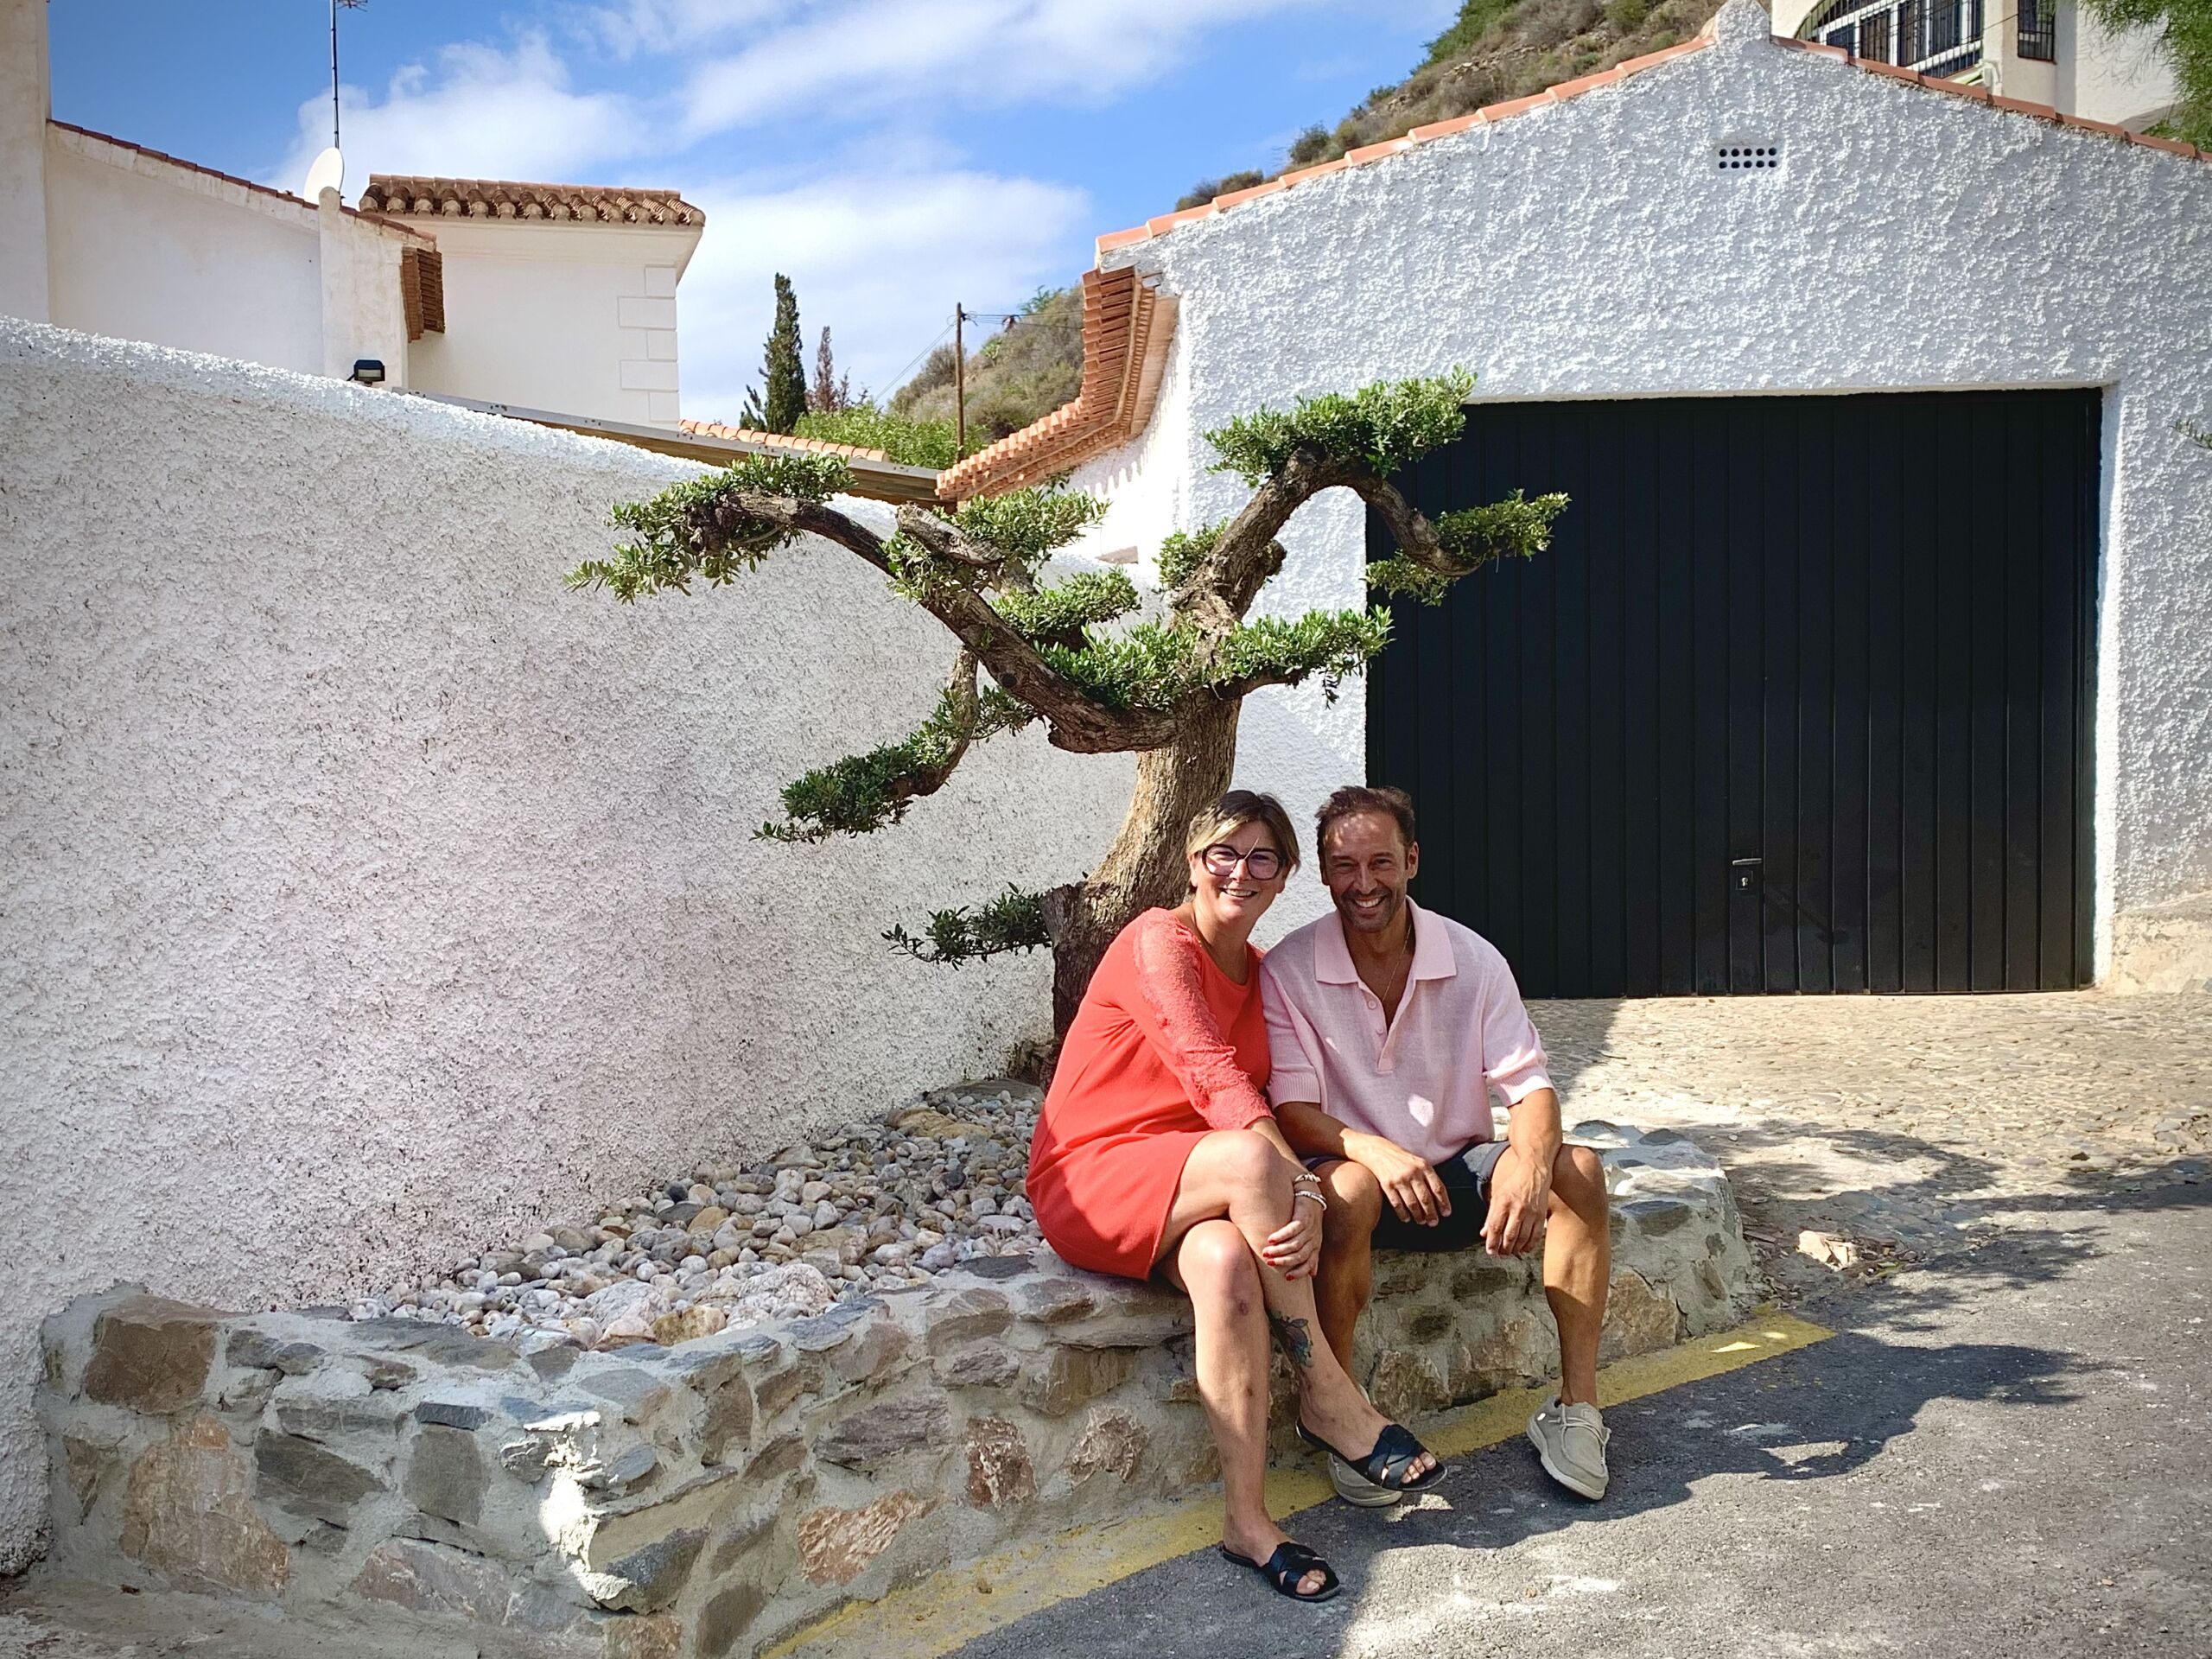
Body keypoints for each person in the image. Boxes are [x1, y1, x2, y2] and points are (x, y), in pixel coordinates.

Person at [1027, 790, 1446, 1605]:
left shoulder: (1258, 973)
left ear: (1285, 875)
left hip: (1192, 1182)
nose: (1240, 872)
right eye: (1223, 852)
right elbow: (1215, 1079)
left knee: (1223, 1266)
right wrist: (1301, 1190)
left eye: (1262, 858)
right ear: (1191, 863)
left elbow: (1276, 1086)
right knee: (1258, 1168)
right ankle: (1328, 1393)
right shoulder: (1158, 943)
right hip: (1093, 1173)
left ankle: (1247, 1523)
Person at [1260, 785, 1614, 1507]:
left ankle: (1577, 1410)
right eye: (1344, 865)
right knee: (1349, 1188)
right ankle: (1345, 1419)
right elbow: (1291, 1110)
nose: (1364, 884)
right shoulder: (1289, 969)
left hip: (1453, 1176)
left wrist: (1529, 1161)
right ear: (1324, 873)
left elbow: (1532, 1087)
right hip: (1357, 1182)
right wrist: (1375, 1150)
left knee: (1579, 1170)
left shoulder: (1474, 958)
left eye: (1381, 862)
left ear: (1412, 860)